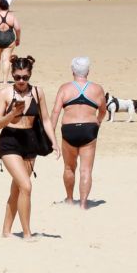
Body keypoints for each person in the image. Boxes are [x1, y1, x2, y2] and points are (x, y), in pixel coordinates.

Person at [0, 56, 54, 240]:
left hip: (30, 142)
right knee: (26, 186)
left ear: (30, 75)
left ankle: (6, 231)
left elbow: (45, 119)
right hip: (10, 141)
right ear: (12, 74)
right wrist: (11, 114)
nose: (21, 81)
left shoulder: (37, 92)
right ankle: (27, 233)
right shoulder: (4, 94)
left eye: (25, 77)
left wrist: (54, 142)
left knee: (18, 189)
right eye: (18, 77)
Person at [50, 56, 107, 209]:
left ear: (72, 70)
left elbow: (55, 112)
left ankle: (69, 199)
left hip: (69, 129)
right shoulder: (97, 89)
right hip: (89, 129)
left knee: (69, 167)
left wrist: (50, 134)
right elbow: (103, 110)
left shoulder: (65, 88)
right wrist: (98, 122)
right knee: (86, 169)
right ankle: (83, 204)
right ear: (88, 71)